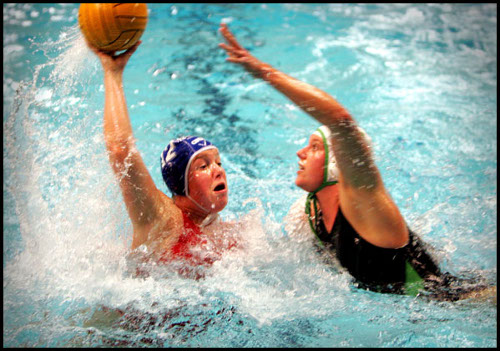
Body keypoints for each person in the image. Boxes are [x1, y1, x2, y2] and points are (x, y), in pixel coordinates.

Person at [218, 23, 495, 301]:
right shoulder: (309, 214)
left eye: (314, 147)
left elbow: (340, 121)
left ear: (336, 165)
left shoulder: (365, 203)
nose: (299, 153)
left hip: (460, 302)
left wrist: (265, 73)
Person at [88, 40, 237, 278]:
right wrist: (112, 73)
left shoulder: (222, 230)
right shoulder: (163, 220)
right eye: (203, 165)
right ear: (180, 184)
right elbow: (119, 149)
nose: (218, 171)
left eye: (218, 163)